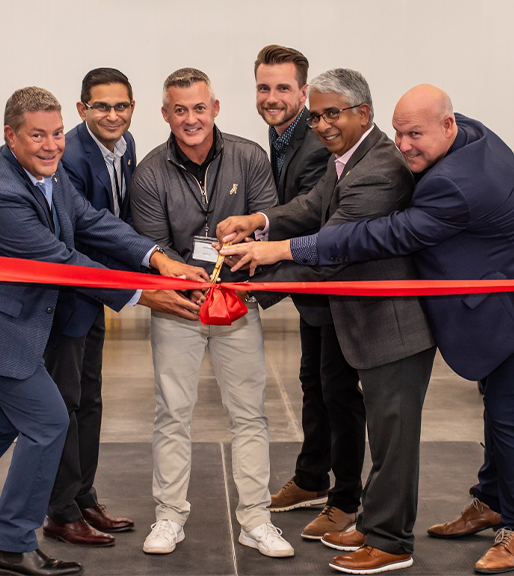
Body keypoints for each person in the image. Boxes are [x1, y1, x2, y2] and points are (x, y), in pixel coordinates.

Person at [220, 84, 514, 575]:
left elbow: (380, 234)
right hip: (503, 283)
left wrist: (277, 253)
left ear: (447, 125)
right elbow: (321, 207)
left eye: (415, 134)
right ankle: (489, 500)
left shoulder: (451, 183)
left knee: (506, 410)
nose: (404, 144)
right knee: (492, 403)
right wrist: (264, 223)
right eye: (399, 131)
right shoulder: (465, 133)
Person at [0, 86, 207, 576]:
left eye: (55, 134)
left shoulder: (48, 175)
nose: (50, 145)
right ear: (10, 136)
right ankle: (12, 546)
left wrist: (157, 259)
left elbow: (92, 222)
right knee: (48, 423)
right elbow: (62, 262)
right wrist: (144, 294)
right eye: (36, 136)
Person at [217, 68, 436, 575]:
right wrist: (259, 221)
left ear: (363, 112)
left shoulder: (379, 168)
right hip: (365, 322)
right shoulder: (347, 161)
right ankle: (374, 522)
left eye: (331, 113)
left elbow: (331, 248)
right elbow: (311, 207)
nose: (320, 124)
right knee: (379, 434)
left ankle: (392, 542)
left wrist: (253, 269)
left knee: (392, 440)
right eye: (315, 115)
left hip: (393, 327)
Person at [128, 68, 293, 559]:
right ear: (165, 115)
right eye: (180, 110)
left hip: (238, 303)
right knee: (172, 413)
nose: (191, 119)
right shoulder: (150, 173)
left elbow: (266, 226)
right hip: (179, 308)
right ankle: (169, 516)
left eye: (200, 108)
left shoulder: (250, 156)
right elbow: (155, 247)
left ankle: (256, 520)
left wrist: (241, 254)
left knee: (249, 415)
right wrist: (190, 282)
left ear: (215, 109)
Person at [253, 45, 364, 540]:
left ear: (302, 91)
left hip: (333, 283)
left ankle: (345, 498)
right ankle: (311, 476)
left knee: (337, 392)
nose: (271, 97)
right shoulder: (281, 136)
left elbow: (311, 214)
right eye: (263, 87)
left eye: (282, 88)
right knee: (314, 383)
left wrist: (260, 266)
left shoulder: (319, 142)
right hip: (313, 287)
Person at [39, 67, 139, 547]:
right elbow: (86, 228)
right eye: (102, 106)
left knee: (91, 399)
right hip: (67, 297)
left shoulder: (125, 146)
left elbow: (118, 218)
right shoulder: (70, 155)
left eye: (121, 105)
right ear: (82, 109)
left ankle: (83, 496)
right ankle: (59, 511)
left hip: (96, 295)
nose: (113, 115)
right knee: (64, 404)